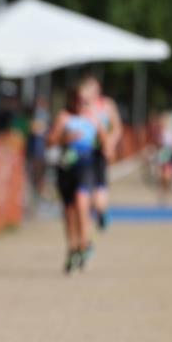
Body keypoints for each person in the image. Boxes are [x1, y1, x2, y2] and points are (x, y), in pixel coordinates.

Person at [48, 80, 108, 273]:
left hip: (85, 166)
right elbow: (50, 141)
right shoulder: (64, 117)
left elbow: (104, 142)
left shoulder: (94, 118)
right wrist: (65, 139)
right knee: (69, 212)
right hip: (66, 167)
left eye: (85, 101)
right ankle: (72, 248)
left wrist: (105, 151)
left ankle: (84, 244)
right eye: (78, 100)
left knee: (82, 205)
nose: (81, 104)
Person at [82, 75, 122, 230]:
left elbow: (116, 127)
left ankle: (99, 211)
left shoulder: (105, 105)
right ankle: (98, 211)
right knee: (95, 186)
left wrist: (110, 144)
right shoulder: (84, 106)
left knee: (98, 185)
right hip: (86, 150)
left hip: (98, 150)